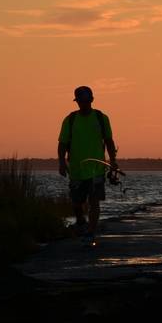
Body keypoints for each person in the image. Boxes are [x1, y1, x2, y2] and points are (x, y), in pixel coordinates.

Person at [57, 85, 118, 238]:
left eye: (86, 101)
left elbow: (109, 141)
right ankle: (81, 222)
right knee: (77, 203)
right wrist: (62, 163)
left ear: (91, 100)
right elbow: (62, 144)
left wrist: (113, 161)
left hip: (97, 169)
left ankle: (91, 231)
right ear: (76, 102)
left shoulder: (101, 118)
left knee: (94, 201)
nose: (83, 104)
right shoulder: (70, 120)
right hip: (76, 170)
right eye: (80, 101)